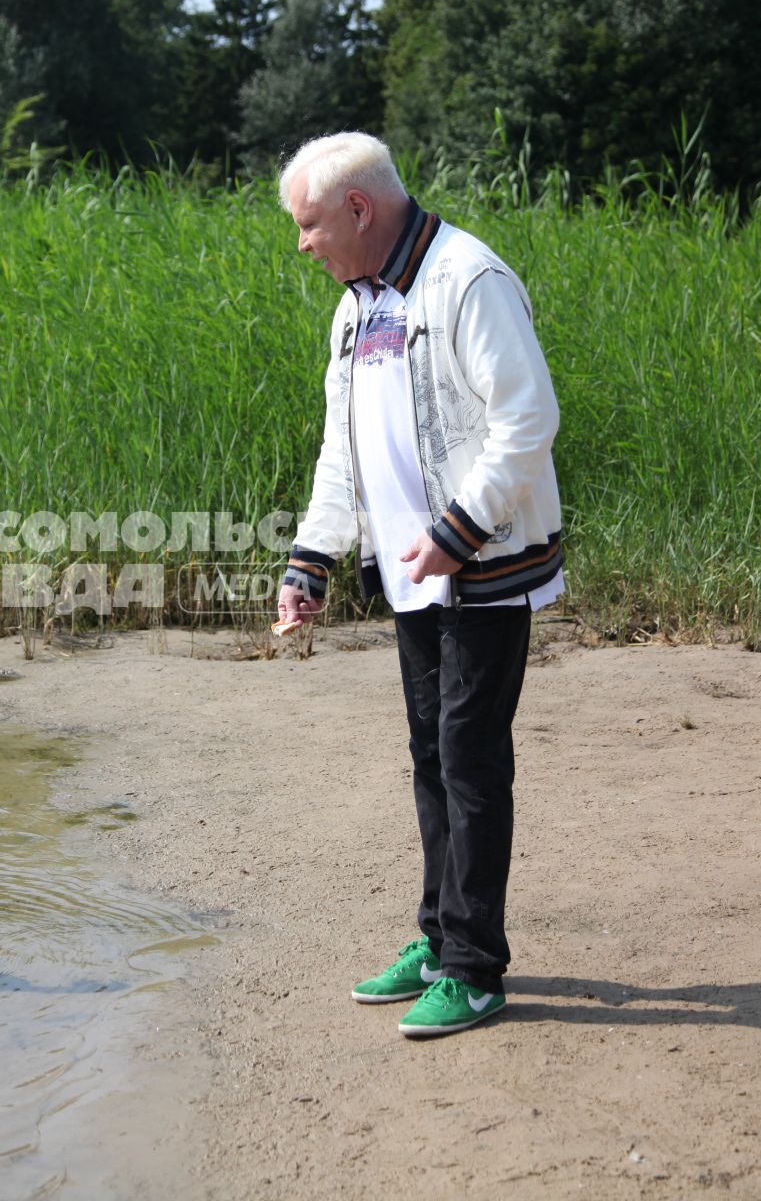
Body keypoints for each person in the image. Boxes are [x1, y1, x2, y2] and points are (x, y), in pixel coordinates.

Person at [274, 132, 564, 1038]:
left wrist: (459, 530)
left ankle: (476, 970)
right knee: (432, 757)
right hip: (412, 575)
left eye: (310, 223)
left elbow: (528, 418)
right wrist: (312, 559)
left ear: (359, 209)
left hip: (482, 566)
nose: (303, 243)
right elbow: (342, 446)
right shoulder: (357, 307)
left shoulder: (466, 279)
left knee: (472, 762)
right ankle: (440, 942)